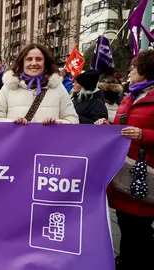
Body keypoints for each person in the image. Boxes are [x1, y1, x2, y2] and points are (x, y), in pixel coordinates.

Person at [95, 49, 154, 270]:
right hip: (123, 170)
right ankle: (128, 259)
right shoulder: (131, 96)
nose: (130, 71)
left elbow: (138, 130)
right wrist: (107, 126)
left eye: (133, 67)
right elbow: (123, 126)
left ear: (145, 70)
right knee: (125, 222)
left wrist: (143, 135)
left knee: (140, 228)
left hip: (144, 174)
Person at [0, 44, 78, 124]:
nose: (34, 63)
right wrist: (13, 123)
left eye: (39, 59)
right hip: (19, 141)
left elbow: (73, 119)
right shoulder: (8, 87)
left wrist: (57, 123)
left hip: (50, 141)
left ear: (45, 62)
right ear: (22, 62)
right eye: (29, 59)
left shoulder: (58, 87)